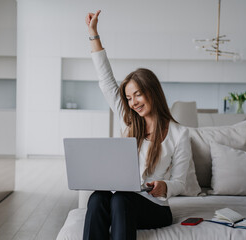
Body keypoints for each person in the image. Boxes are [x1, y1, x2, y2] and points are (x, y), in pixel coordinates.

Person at [84, 10, 192, 240]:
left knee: (122, 199)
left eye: (138, 95)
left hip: (155, 207)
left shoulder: (180, 134)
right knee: (97, 198)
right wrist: (94, 34)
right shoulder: (130, 119)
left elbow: (181, 182)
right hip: (123, 200)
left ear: (152, 92)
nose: (133, 103)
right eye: (129, 98)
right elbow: (106, 80)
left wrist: (164, 186)